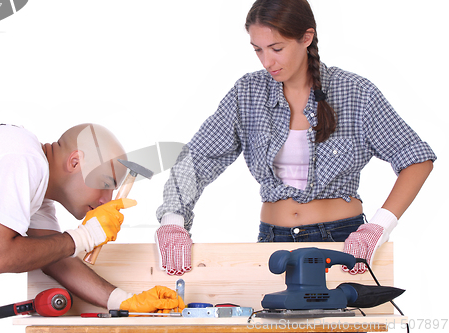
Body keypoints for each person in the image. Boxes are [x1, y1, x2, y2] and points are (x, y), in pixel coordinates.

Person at [155, 0, 436, 276]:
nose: (267, 61)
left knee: (342, 323)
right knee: (272, 321)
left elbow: (416, 159)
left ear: (306, 37)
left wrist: (379, 226)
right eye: (258, 50)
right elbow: (197, 159)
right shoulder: (248, 93)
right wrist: (173, 219)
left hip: (340, 242)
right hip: (272, 244)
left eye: (277, 48)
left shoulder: (355, 92)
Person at [0, 123, 184, 313]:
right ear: (75, 162)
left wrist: (123, 301)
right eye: (105, 184)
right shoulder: (23, 157)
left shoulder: (36, 193)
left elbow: (55, 258)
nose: (106, 200)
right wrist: (85, 236)